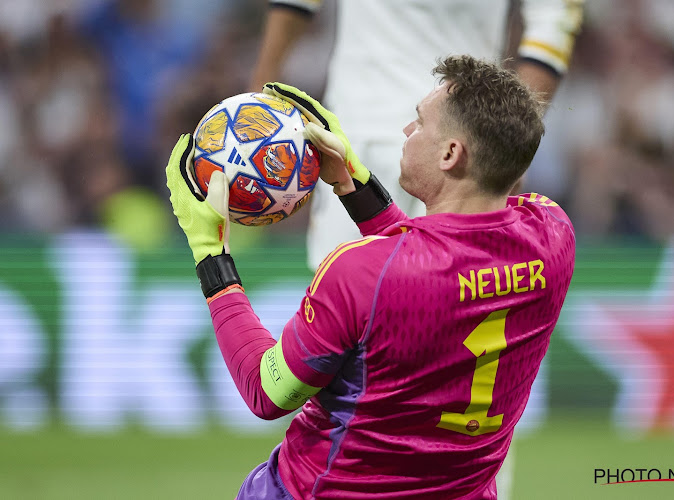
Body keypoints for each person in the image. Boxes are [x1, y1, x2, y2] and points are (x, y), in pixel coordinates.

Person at [167, 55, 575, 499]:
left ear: (450, 153)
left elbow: (268, 392)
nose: (405, 132)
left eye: (419, 123)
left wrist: (210, 252)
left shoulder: (359, 272)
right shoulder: (552, 234)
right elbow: (435, 260)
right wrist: (352, 183)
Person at [249, 0, 583, 270]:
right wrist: (507, 144)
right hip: (465, 148)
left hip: (360, 135)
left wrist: (259, 92)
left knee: (347, 316)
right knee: (451, 317)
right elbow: (552, 30)